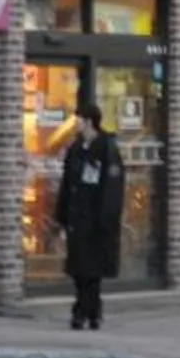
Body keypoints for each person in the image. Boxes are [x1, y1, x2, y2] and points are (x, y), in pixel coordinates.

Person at [52, 103, 127, 332]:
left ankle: (82, 311)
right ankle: (92, 311)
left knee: (91, 271)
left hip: (96, 221)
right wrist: (62, 216)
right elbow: (67, 183)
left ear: (89, 122)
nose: (76, 124)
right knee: (79, 270)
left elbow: (113, 187)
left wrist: (106, 219)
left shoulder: (106, 148)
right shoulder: (75, 149)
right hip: (77, 219)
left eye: (80, 120)